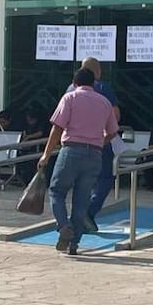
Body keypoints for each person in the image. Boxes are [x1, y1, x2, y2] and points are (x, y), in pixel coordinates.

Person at [38, 68, 118, 256]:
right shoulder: (105, 102)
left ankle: (64, 226)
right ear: (93, 84)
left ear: (74, 83)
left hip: (71, 151)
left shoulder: (70, 98)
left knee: (57, 191)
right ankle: (74, 244)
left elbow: (57, 129)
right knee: (82, 199)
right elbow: (113, 131)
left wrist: (46, 155)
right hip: (95, 155)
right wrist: (99, 142)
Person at [66, 57, 121, 234]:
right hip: (98, 142)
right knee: (105, 178)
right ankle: (88, 212)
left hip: (73, 144)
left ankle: (74, 220)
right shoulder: (103, 88)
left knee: (80, 182)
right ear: (97, 71)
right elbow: (115, 116)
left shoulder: (70, 89)